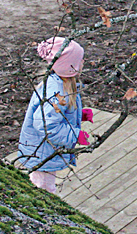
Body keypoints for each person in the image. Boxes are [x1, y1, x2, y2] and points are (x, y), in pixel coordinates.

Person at [17, 37, 93, 193]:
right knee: (43, 189)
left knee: (43, 185)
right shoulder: (56, 90)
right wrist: (75, 135)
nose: (83, 61)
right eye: (79, 60)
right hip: (41, 153)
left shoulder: (62, 83)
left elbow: (58, 114)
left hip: (45, 150)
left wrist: (80, 115)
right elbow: (46, 124)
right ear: (68, 67)